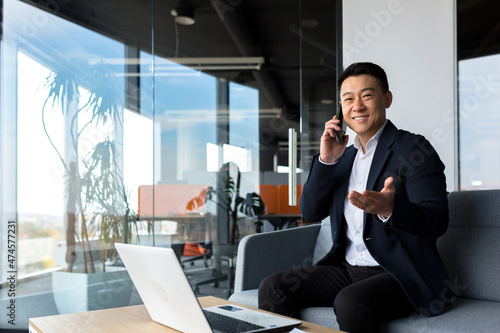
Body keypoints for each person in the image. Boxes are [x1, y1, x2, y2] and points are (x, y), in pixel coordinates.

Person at [258, 62, 452, 333]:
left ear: (387, 99)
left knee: (350, 302)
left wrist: (391, 209)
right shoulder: (341, 155)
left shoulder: (414, 149)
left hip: (400, 273)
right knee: (273, 287)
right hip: (347, 269)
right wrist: (326, 160)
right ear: (340, 108)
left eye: (367, 96)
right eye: (348, 99)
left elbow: (437, 220)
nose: (357, 106)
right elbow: (311, 211)